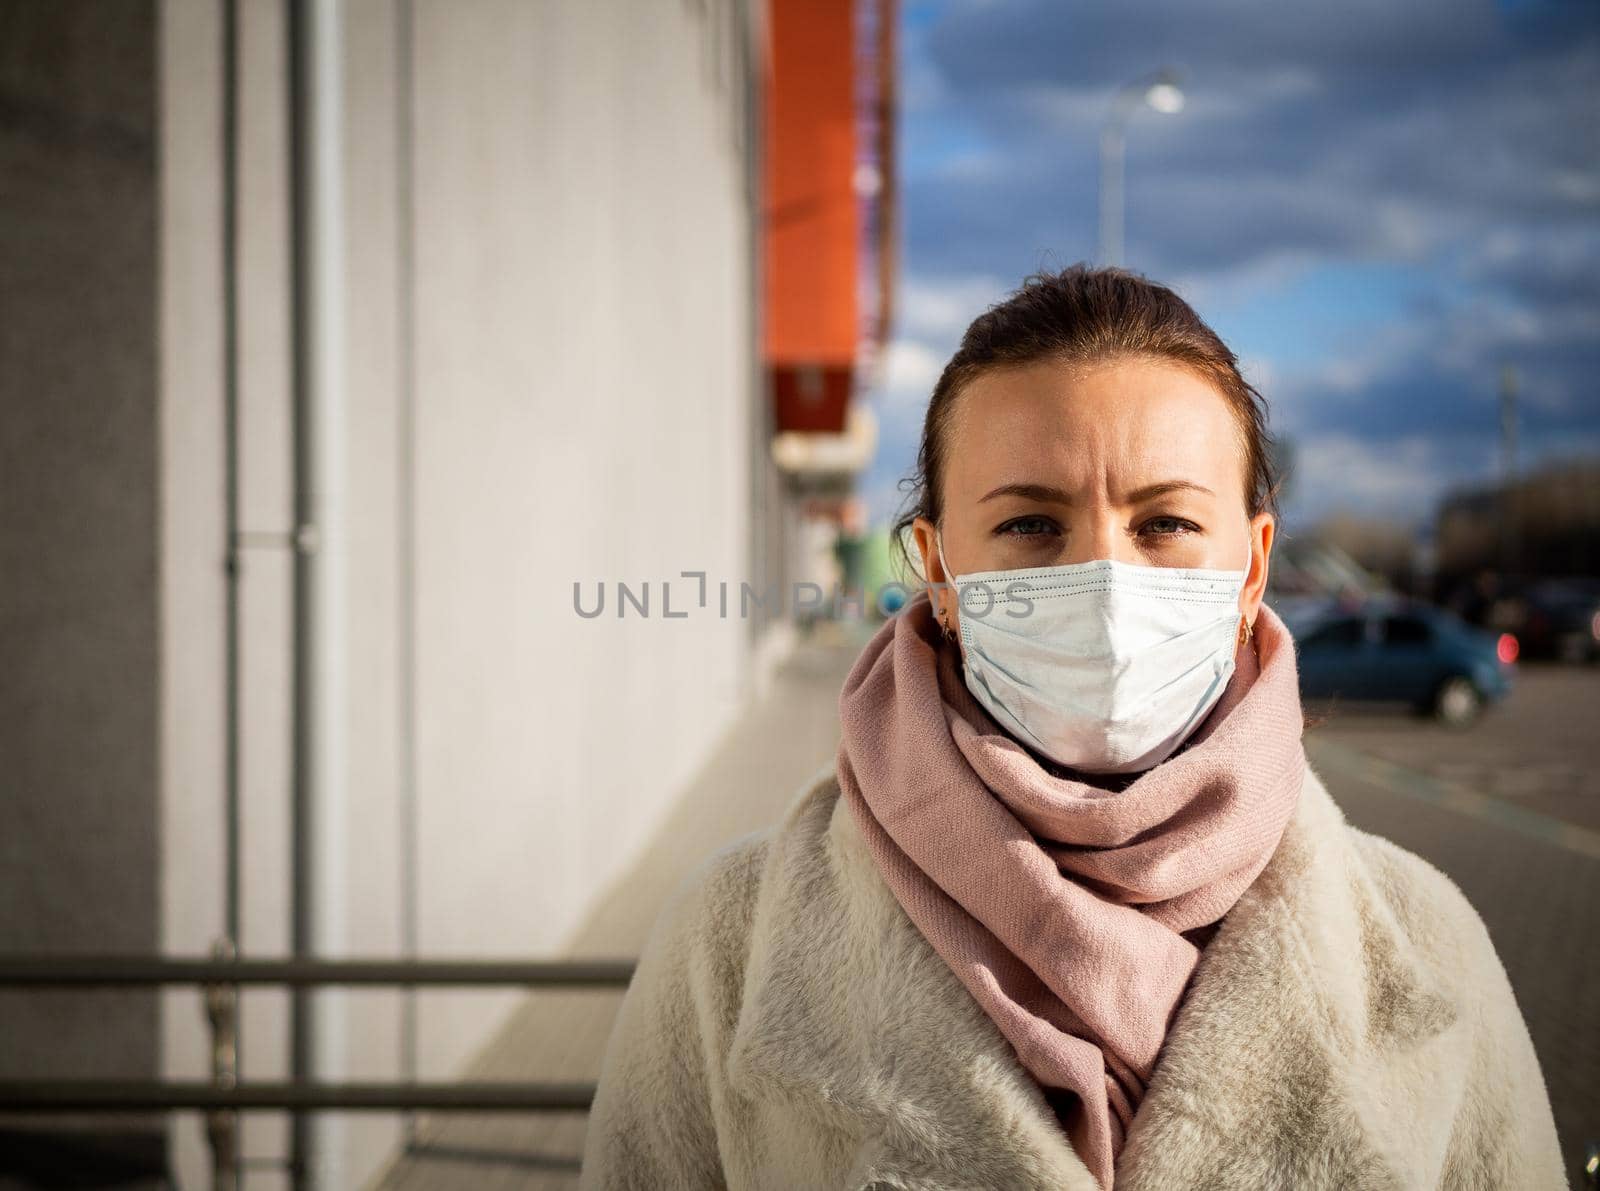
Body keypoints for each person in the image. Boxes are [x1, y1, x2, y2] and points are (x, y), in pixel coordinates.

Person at [578, 266, 1566, 1190]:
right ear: (938, 569)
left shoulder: (1426, 938)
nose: (1103, 584)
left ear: (1252, 567)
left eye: (1165, 524)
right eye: (1027, 525)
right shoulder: (732, 938)